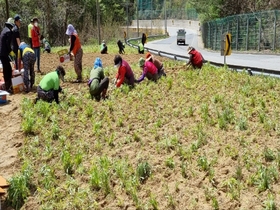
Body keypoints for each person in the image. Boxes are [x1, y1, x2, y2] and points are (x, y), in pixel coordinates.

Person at [0, 18, 15, 93]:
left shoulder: (4, 30)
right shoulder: (9, 32)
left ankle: (8, 86)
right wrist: (11, 52)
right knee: (7, 70)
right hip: (4, 53)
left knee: (7, 69)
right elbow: (7, 44)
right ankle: (8, 87)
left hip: (2, 53)